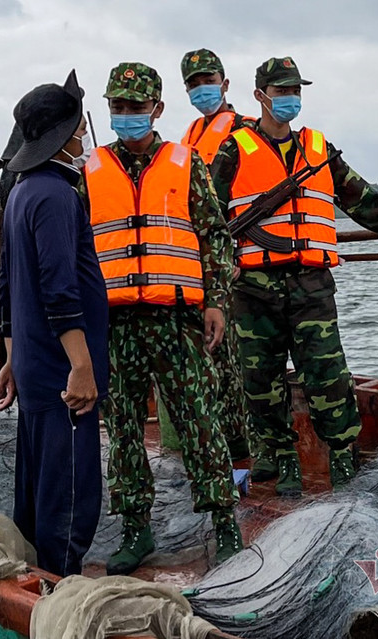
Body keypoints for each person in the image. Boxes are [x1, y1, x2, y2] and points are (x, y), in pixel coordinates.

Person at [210, 57, 378, 496]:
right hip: (252, 290)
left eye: (295, 90)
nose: (289, 98)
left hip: (312, 287)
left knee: (328, 376)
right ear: (260, 95)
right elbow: (207, 217)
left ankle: (343, 462)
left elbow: (363, 201)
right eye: (281, 91)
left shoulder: (319, 149)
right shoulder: (233, 149)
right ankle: (278, 461)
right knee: (259, 380)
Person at [85, 62, 242, 575]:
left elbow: (215, 234)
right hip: (115, 322)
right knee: (124, 428)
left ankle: (223, 521)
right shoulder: (90, 170)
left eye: (134, 107)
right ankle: (136, 528)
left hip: (177, 318)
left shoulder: (185, 162)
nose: (125, 115)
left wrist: (215, 300)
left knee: (199, 419)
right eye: (117, 107)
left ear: (156, 109)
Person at [0, 70, 107, 577]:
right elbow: (60, 291)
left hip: (36, 366)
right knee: (70, 493)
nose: (84, 140)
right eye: (80, 132)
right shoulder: (57, 196)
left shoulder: (20, 192)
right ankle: (60, 589)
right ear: (61, 140)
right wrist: (81, 366)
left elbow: (8, 284)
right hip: (63, 373)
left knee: (38, 484)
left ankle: (34, 576)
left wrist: (13, 358)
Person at [180, 48, 252, 460]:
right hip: (197, 267)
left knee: (238, 368)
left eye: (208, 81)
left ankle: (244, 454)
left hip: (236, 264)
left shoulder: (244, 131)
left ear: (225, 84)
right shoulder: (189, 135)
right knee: (211, 364)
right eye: (193, 83)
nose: (201, 89)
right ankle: (220, 452)